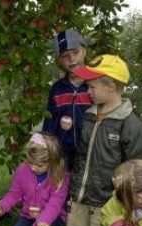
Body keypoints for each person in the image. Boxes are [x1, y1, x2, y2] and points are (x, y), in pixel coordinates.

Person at [57, 54, 142, 226]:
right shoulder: (89, 116)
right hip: (79, 193)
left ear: (110, 86)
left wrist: (123, 196)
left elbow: (138, 168)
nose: (88, 91)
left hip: (108, 200)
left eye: (92, 87)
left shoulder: (132, 126)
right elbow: (81, 154)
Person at [0, 132, 71, 226]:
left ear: (52, 162)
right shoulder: (22, 170)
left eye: (39, 165)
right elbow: (14, 194)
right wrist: (1, 206)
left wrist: (42, 222)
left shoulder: (61, 178)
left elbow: (54, 205)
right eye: (30, 162)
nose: (33, 168)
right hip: (28, 217)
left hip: (51, 219)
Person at [43, 29, 93, 171]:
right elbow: (49, 127)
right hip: (63, 163)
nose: (71, 59)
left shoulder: (97, 84)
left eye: (75, 52)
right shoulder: (57, 89)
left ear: (84, 51)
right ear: (59, 61)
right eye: (65, 56)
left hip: (93, 160)